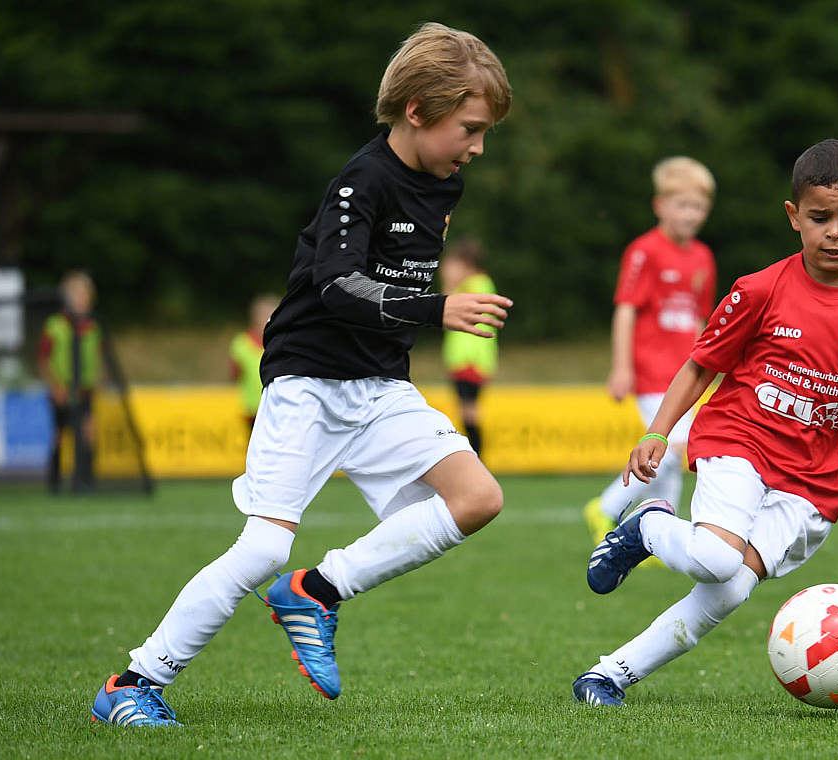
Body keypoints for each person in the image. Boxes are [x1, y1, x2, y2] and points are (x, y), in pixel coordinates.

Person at [90, 22, 512, 727]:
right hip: (309, 383)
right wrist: (438, 308)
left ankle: (317, 589)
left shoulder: (444, 186)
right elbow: (337, 285)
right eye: (469, 129)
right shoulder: (362, 181)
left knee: (477, 497)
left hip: (380, 387)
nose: (476, 147)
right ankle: (133, 682)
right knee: (261, 546)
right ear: (417, 111)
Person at [572, 139, 838, 706]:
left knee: (727, 590)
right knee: (714, 558)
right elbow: (701, 364)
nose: (834, 231)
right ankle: (650, 524)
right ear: (793, 216)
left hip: (814, 484)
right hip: (740, 440)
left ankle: (610, 675)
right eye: (819, 217)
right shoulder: (760, 289)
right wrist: (657, 432)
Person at [582, 156, 718, 547]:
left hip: (683, 372)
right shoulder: (645, 251)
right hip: (650, 369)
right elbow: (625, 309)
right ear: (661, 205)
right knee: (670, 447)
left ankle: (661, 534)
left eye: (698, 207)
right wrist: (621, 367)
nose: (690, 214)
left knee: (672, 460)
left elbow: (699, 319)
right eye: (682, 205)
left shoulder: (703, 258)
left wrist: (705, 364)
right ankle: (607, 506)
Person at [38, 270, 102, 493]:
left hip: (84, 390)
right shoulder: (55, 325)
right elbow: (44, 360)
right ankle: (54, 482)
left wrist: (97, 381)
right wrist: (55, 386)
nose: (81, 300)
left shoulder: (93, 327)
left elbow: (99, 358)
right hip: (62, 389)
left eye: (84, 295)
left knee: (88, 432)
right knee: (59, 435)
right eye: (76, 295)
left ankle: (85, 480)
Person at [439, 236, 497, 457]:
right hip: (463, 358)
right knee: (466, 411)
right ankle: (476, 460)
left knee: (469, 412)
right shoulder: (475, 284)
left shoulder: (476, 285)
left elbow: (444, 304)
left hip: (471, 358)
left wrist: (449, 282)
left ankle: (477, 460)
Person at [230, 294, 280, 428]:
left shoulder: (280, 342)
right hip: (252, 408)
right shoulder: (241, 344)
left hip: (277, 406)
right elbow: (235, 375)